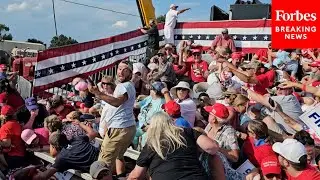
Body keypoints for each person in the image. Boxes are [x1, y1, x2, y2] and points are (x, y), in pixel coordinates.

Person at [128, 112, 219, 180]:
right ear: (171, 122)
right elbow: (211, 147)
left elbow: (136, 176)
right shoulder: (188, 132)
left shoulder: (152, 144)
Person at [88, 60, 136, 177]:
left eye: (125, 70)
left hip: (119, 128)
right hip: (127, 127)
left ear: (130, 73)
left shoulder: (123, 86)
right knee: (119, 156)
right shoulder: (128, 85)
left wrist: (98, 93)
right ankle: (121, 176)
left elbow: (117, 102)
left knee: (103, 165)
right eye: (119, 69)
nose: (121, 72)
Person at [32, 130, 98, 179]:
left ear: (54, 147)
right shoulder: (78, 139)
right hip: (104, 159)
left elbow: (44, 176)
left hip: (99, 172)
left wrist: (34, 171)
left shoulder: (61, 158)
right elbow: (94, 133)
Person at [0, 105, 25, 169]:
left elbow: (6, 144)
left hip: (11, 158)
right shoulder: (17, 124)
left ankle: (6, 173)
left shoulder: (5, 127)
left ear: (3, 116)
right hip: (21, 156)